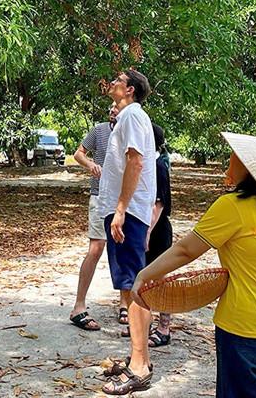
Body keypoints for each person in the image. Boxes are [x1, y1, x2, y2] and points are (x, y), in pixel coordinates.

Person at [104, 132, 256, 397]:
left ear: (249, 169)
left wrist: (143, 275)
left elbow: (185, 250)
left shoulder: (233, 206)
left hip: (243, 330)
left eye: (235, 156)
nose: (230, 160)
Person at [96, 70, 156, 341]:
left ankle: (140, 358)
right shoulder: (128, 118)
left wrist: (120, 210)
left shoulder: (132, 115)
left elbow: (136, 162)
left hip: (128, 212)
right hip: (127, 210)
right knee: (129, 279)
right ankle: (137, 350)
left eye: (118, 80)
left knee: (133, 282)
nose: (112, 83)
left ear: (130, 90)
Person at [69, 104, 119, 331]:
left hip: (125, 200)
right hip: (100, 196)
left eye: (116, 106)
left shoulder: (132, 129)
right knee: (96, 248)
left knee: (123, 251)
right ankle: (79, 305)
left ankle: (126, 305)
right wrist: (91, 164)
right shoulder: (99, 130)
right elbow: (79, 153)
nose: (112, 109)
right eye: (110, 106)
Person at [144, 123, 172, 348]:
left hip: (158, 232)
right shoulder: (145, 164)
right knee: (144, 279)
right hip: (147, 231)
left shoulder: (158, 166)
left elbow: (158, 205)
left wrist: (146, 233)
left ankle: (164, 328)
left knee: (161, 280)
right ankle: (143, 324)